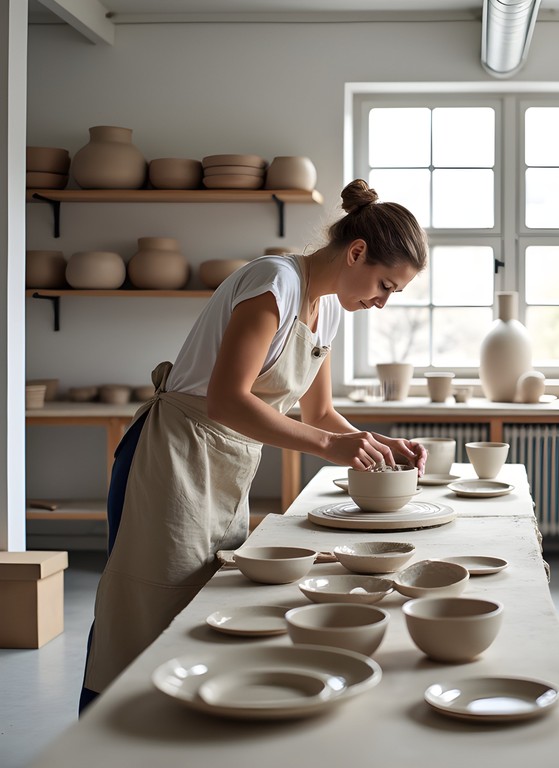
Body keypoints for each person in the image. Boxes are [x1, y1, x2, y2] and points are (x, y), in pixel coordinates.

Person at [79, 179, 428, 711]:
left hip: (225, 466)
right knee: (142, 610)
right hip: (173, 456)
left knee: (201, 610)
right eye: (384, 285)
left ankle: (183, 731)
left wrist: (374, 442)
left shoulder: (328, 307)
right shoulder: (275, 282)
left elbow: (320, 413)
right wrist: (328, 446)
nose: (381, 303)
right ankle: (102, 738)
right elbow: (225, 400)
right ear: (356, 252)